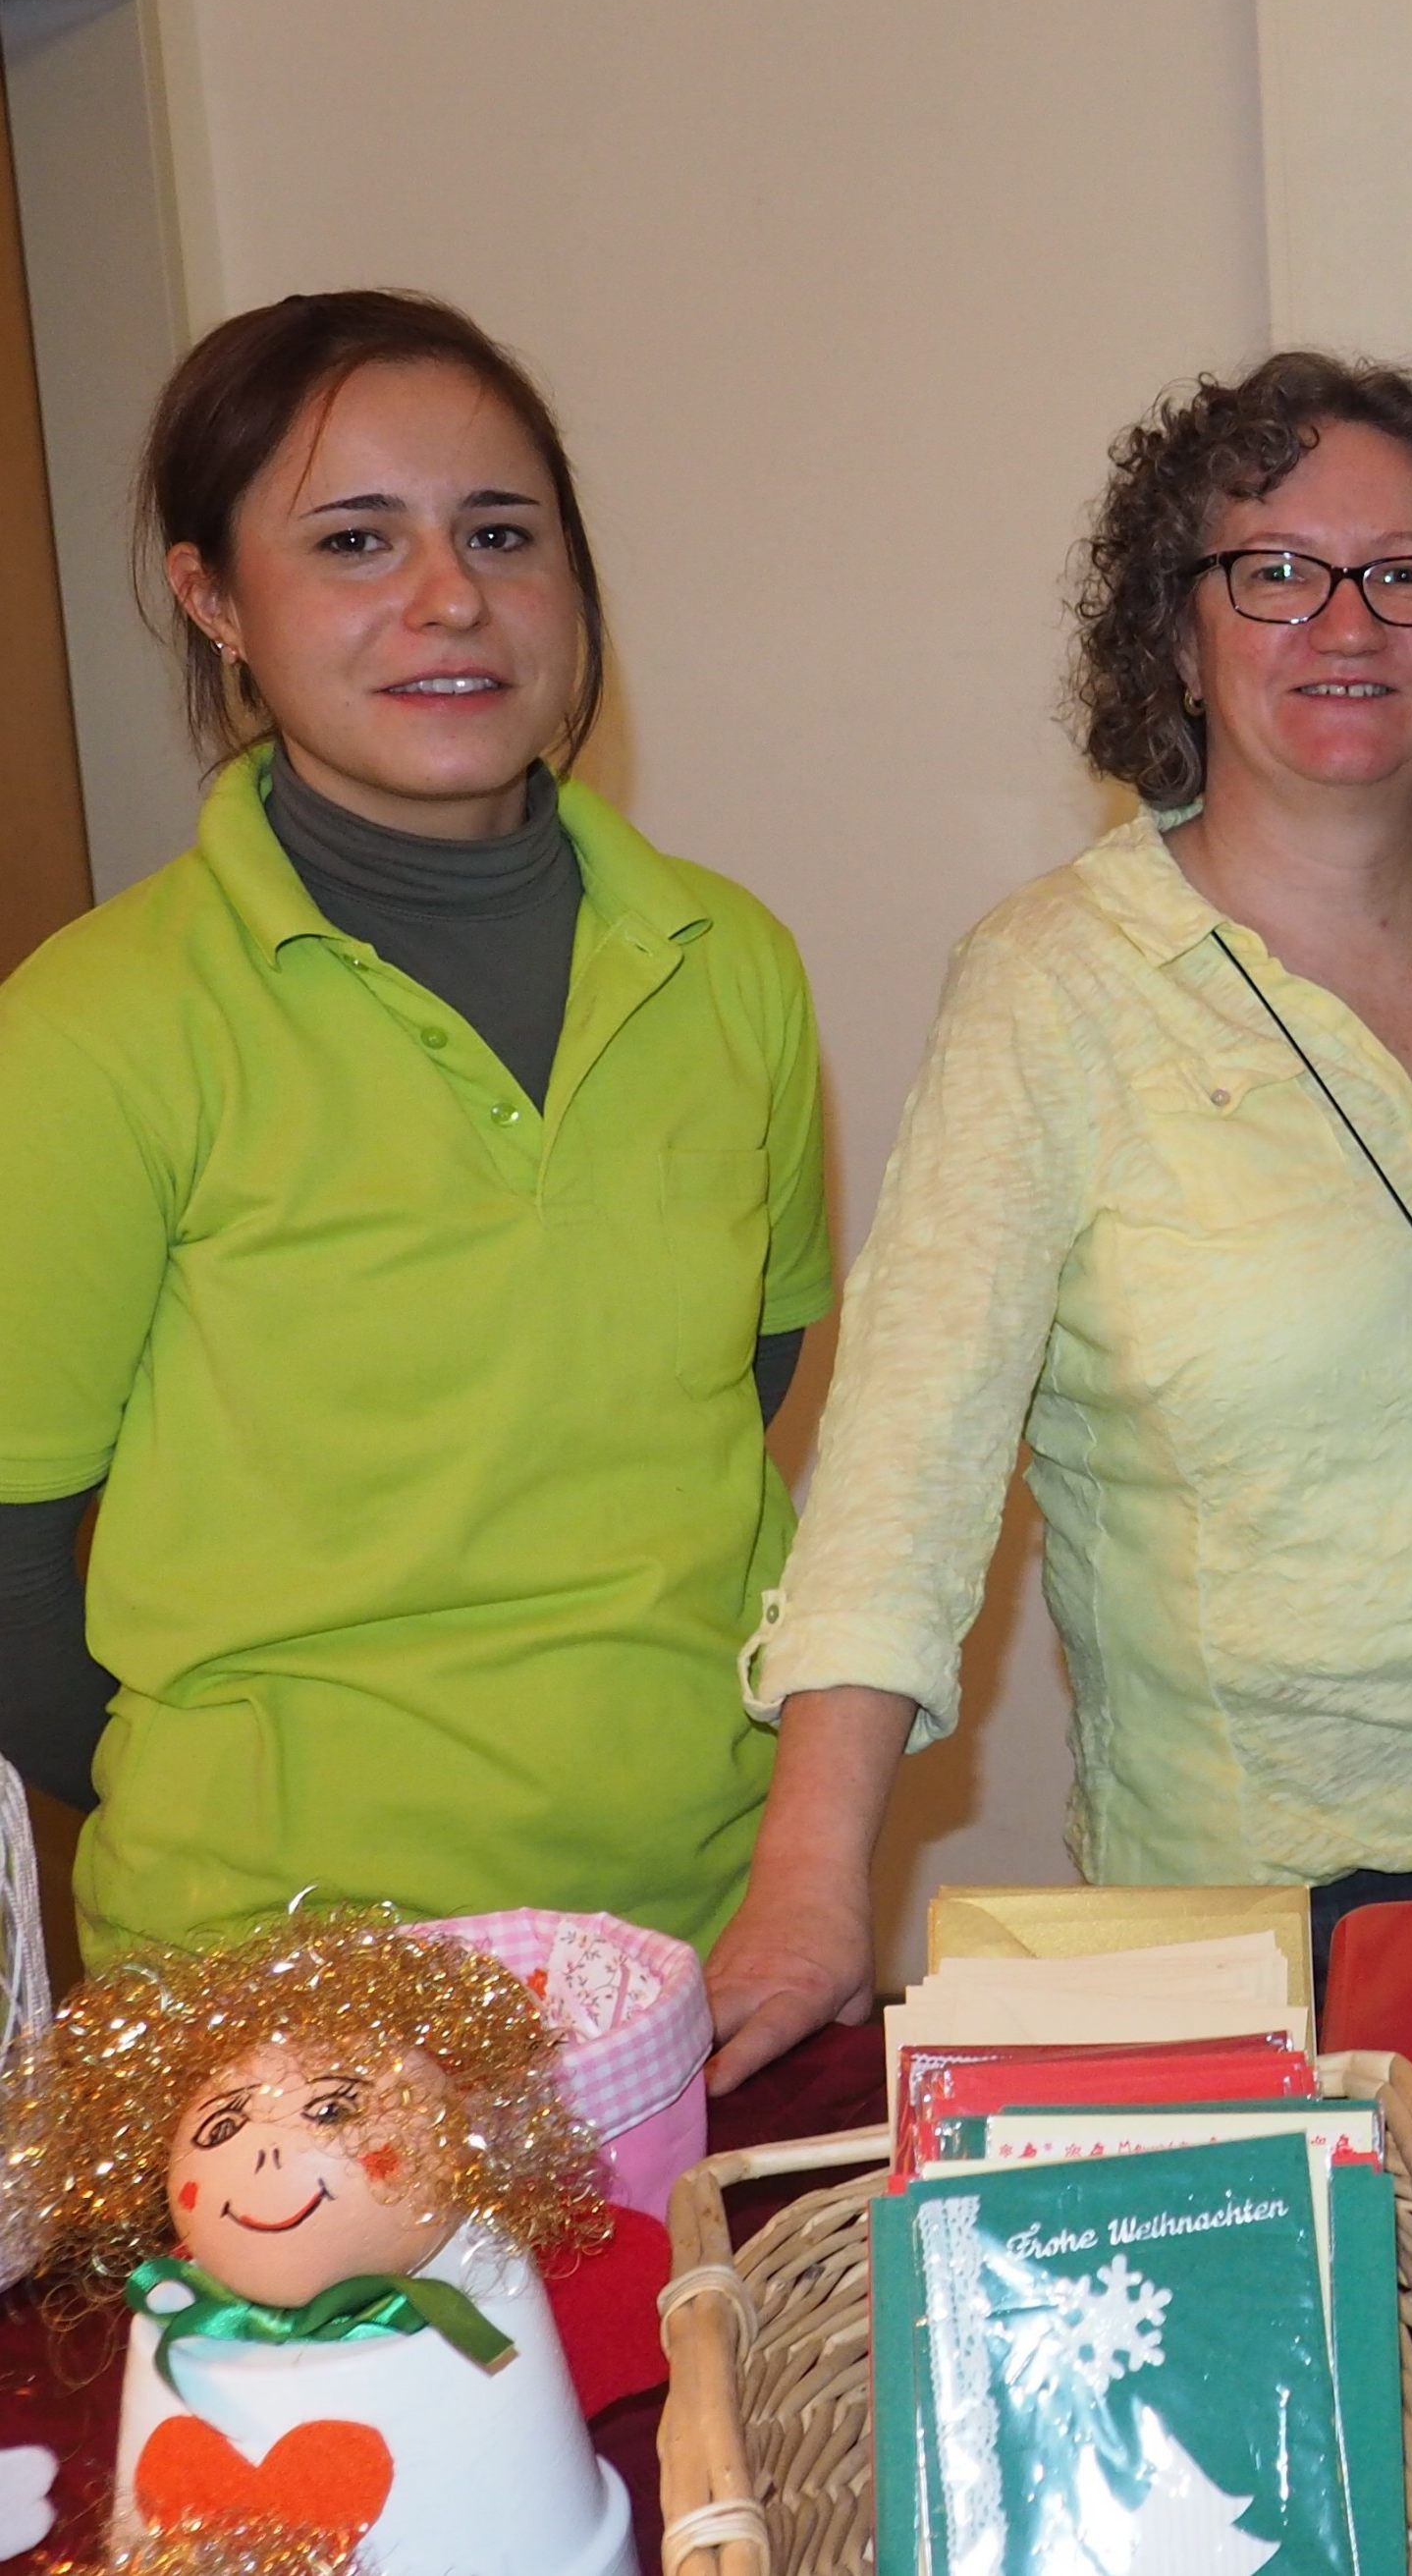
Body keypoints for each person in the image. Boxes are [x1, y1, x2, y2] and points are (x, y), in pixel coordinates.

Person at [0, 293, 850, 2077]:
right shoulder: (92, 1027)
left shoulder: (730, 964)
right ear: (210, 599)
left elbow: (740, 1400)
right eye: (352, 542)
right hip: (272, 2000)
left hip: (703, 1953)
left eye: (499, 534)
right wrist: (224, 1791)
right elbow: (5, 1562)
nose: (447, 598)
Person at [743, 352, 1412, 2003]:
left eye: (1408, 576)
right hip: (1245, 1914)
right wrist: (807, 1883)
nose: (1347, 625)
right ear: (1177, 627)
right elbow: (903, 1467)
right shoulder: (1050, 981)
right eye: (1275, 573)